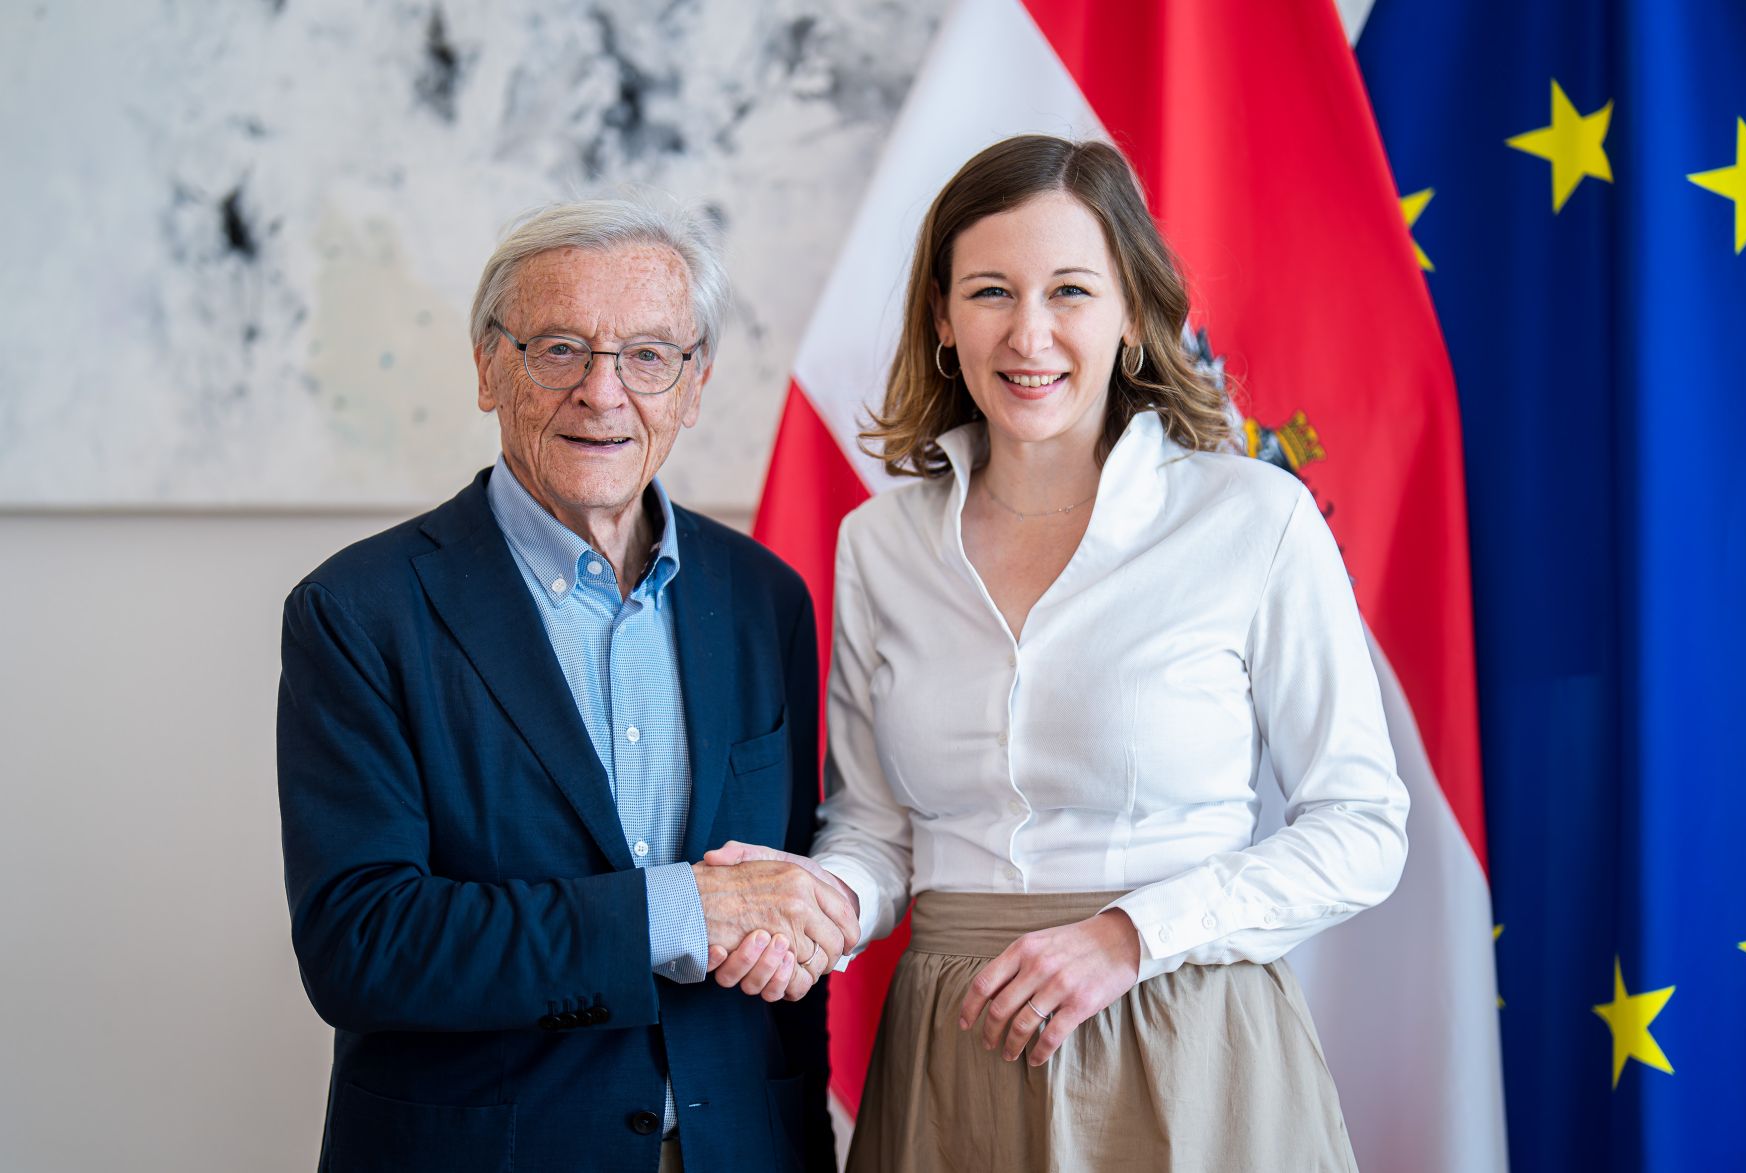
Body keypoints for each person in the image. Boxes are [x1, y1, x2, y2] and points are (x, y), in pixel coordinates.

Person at [706, 135, 1411, 1170]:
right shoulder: (878, 543)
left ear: (1132, 313)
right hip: (953, 1050)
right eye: (989, 291)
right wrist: (822, 904)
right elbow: (875, 824)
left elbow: (1360, 828)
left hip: (1186, 1033)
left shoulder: (1254, 518)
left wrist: (1129, 934)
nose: (1027, 333)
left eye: (1069, 290)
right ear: (942, 319)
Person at [276, 198, 852, 1173]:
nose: (603, 391)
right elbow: (362, 945)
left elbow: (780, 894)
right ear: (486, 367)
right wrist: (676, 912)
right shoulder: (359, 611)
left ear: (694, 383)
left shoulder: (766, 600)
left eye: (647, 356)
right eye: (558, 350)